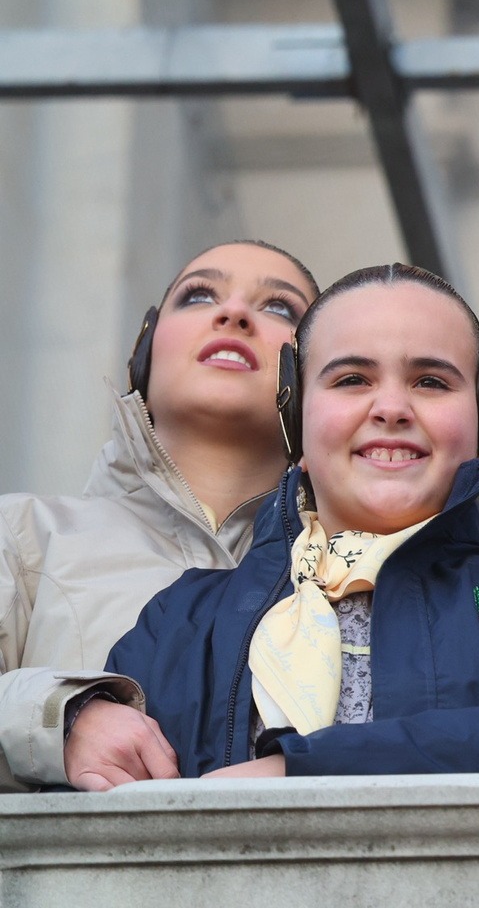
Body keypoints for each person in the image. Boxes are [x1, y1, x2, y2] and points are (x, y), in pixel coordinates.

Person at [106, 264, 479, 778]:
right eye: (353, 379)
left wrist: (304, 771)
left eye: (430, 381)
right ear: (295, 421)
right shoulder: (180, 619)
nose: (391, 407)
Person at [0, 241, 320, 791]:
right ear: (144, 352)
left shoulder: (375, 572)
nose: (234, 313)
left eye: (278, 307)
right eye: (198, 295)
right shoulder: (21, 534)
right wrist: (58, 719)